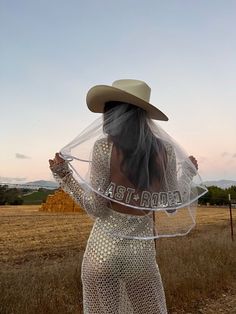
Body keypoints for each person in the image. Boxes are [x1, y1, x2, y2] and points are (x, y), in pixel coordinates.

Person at [49, 79, 207, 313]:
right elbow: (173, 205)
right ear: (143, 115)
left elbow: (96, 208)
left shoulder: (104, 148)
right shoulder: (165, 151)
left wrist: (65, 177)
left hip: (101, 253)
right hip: (140, 257)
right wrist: (188, 174)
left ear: (114, 113)